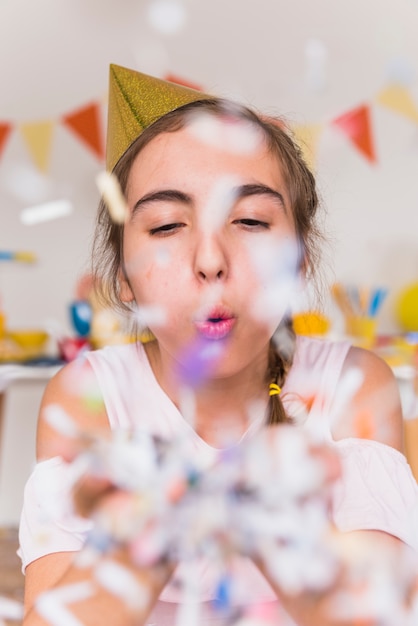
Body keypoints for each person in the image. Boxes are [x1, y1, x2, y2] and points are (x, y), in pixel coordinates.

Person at [19, 64, 418, 626]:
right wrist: (139, 536)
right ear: (125, 277)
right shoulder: (86, 396)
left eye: (251, 220)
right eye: (165, 227)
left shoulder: (353, 389)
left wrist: (276, 517)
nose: (210, 261)